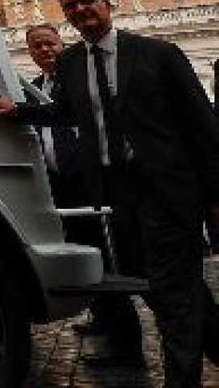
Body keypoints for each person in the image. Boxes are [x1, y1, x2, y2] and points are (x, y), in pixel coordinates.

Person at [0, 0, 219, 381]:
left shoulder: (158, 53)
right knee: (161, 289)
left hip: (167, 192)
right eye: (70, 7)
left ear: (108, 4)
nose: (79, 11)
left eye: (86, 2)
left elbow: (203, 128)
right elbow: (63, 114)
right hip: (116, 195)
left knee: (174, 296)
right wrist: (16, 110)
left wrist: (213, 199)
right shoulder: (71, 63)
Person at [22, 23, 140, 359]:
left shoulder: (78, 80)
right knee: (87, 251)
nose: (45, 51)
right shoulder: (34, 87)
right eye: (37, 47)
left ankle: (126, 340)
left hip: (88, 182)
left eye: (50, 44)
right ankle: (104, 317)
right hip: (59, 186)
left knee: (108, 257)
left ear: (63, 44)